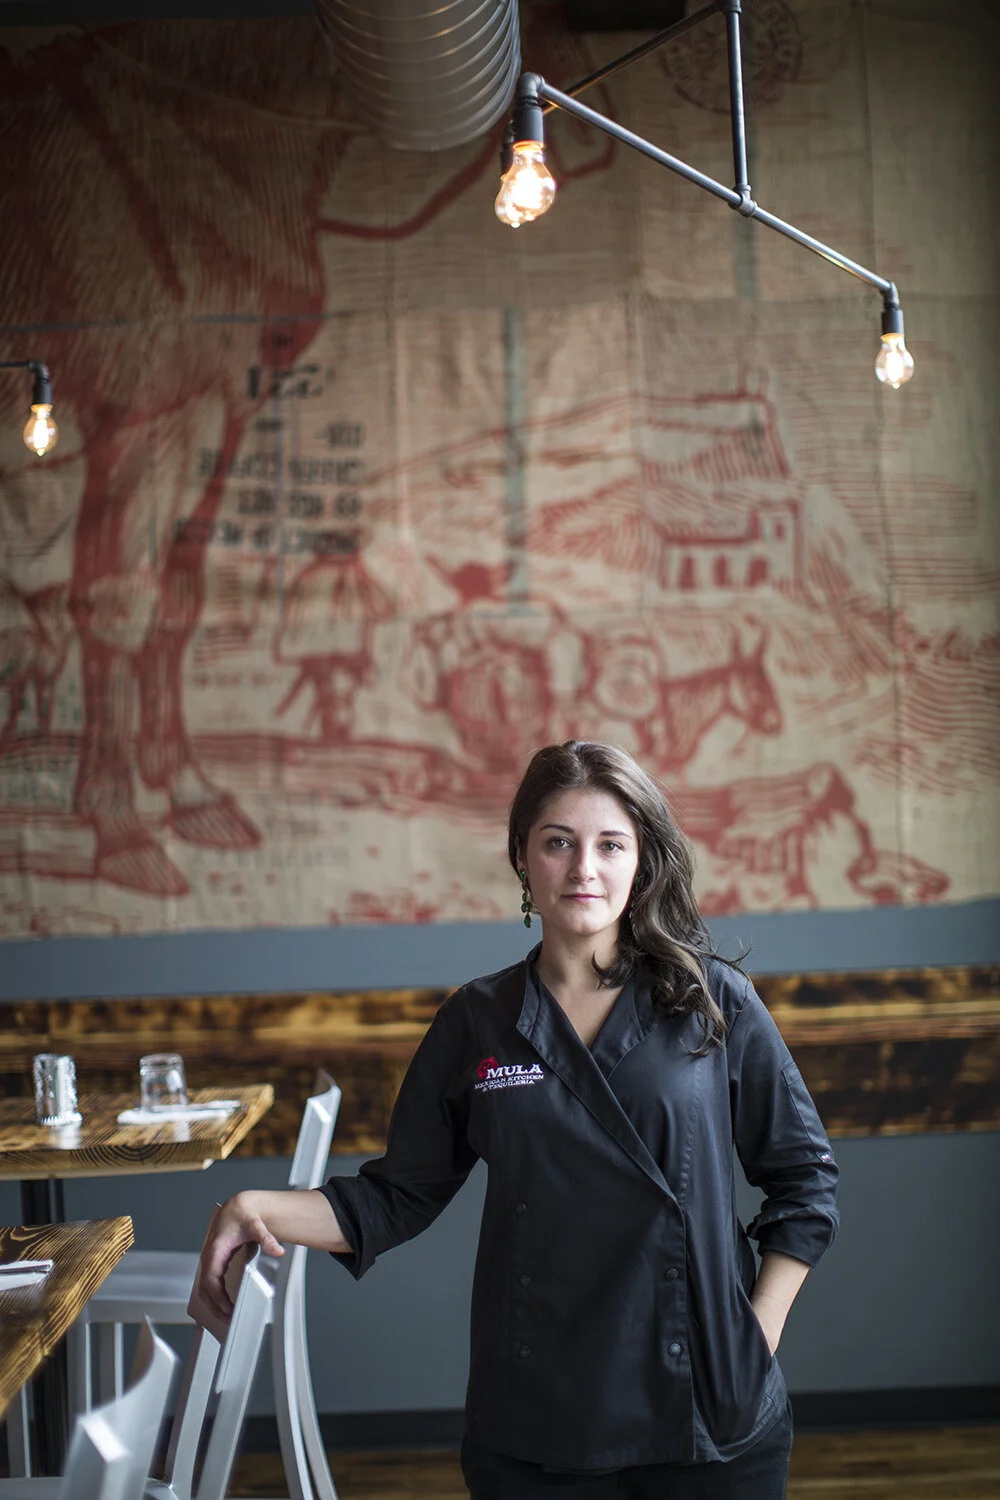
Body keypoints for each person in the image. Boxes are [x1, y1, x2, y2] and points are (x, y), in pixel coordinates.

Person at [192, 740, 839, 1499]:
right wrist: (252, 1207)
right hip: (539, 1413)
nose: (584, 868)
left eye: (610, 845)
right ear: (523, 858)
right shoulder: (478, 1019)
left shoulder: (713, 1000)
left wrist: (755, 1337)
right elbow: (396, 1197)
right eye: (558, 842)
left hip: (705, 1410)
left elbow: (805, 1181)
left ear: (641, 862)